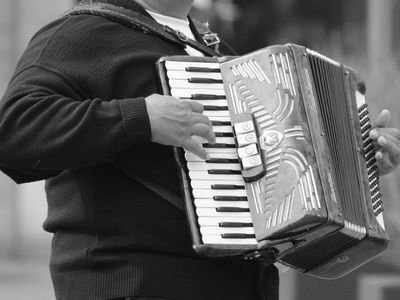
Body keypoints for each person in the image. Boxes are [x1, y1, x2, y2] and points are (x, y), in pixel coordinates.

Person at [0, 0, 399, 300]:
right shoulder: (80, 34)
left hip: (237, 285)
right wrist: (142, 119)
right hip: (132, 282)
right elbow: (14, 133)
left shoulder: (216, 51)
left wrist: (354, 163)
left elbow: (267, 180)